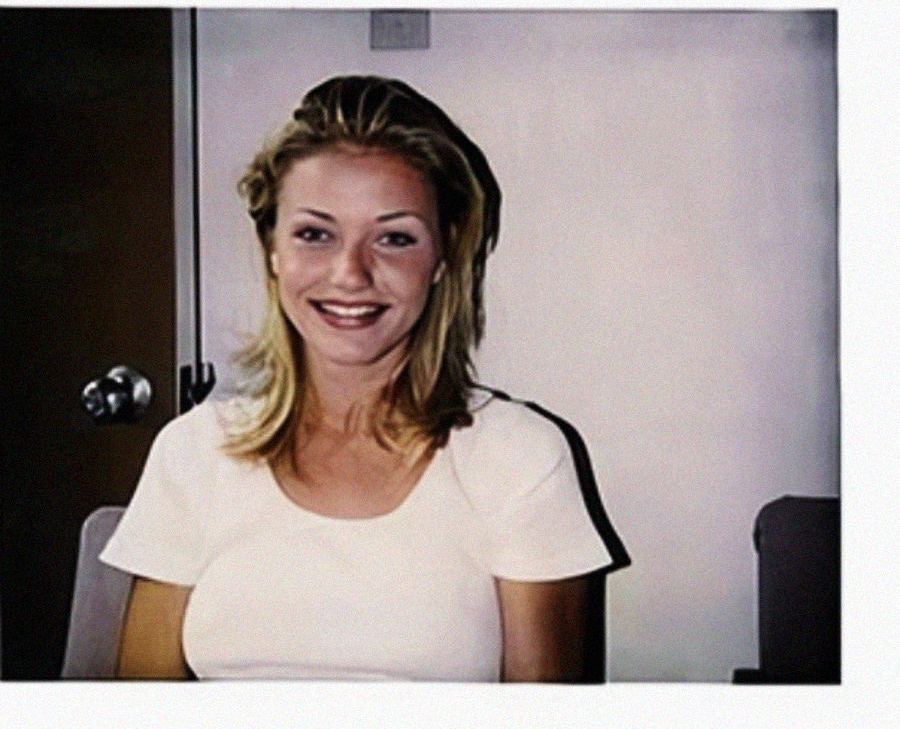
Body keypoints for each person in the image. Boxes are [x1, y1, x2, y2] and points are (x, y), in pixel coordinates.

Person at [100, 75, 616, 681]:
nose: (350, 274)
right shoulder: (193, 450)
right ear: (272, 250)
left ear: (443, 258)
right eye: (315, 234)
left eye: (394, 238)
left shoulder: (519, 458)